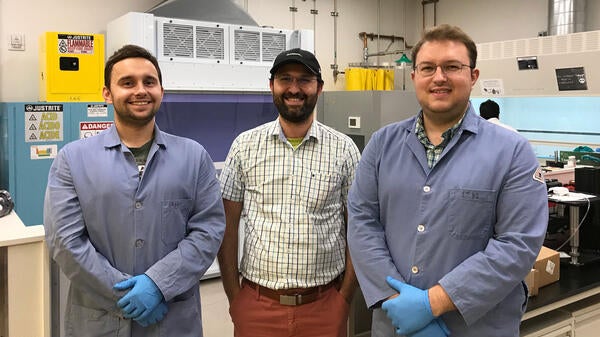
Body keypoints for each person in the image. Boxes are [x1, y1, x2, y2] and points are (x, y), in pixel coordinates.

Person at [347, 24, 548, 337]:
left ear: (473, 76)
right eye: (428, 67)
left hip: (476, 327)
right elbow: (362, 223)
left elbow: (518, 244)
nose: (438, 77)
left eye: (452, 67)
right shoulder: (381, 145)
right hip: (395, 323)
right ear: (414, 77)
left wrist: (433, 302)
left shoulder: (512, 152)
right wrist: (395, 300)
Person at [44, 44, 226, 337]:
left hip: (172, 321)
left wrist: (157, 285)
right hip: (98, 322)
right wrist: (123, 297)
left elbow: (209, 230)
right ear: (107, 93)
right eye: (127, 83)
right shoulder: (72, 159)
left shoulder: (194, 156)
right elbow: (65, 242)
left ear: (161, 91)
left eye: (149, 82)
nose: (140, 90)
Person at [218, 48, 361, 337]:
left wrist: (343, 298)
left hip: (324, 306)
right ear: (272, 85)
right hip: (257, 305)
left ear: (319, 87)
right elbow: (226, 225)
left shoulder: (344, 150)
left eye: (304, 80)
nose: (294, 89)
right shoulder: (244, 147)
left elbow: (357, 228)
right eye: (285, 79)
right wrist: (236, 297)